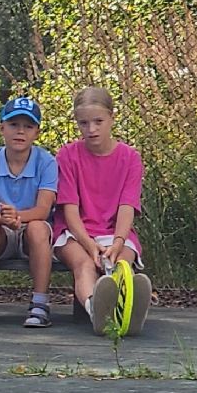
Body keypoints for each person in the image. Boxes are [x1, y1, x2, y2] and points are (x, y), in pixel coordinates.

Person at [53, 85, 153, 334]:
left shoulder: (130, 157)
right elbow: (70, 209)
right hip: (74, 233)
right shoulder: (67, 155)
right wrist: (89, 244)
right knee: (85, 265)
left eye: (98, 121)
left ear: (112, 117)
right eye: (84, 123)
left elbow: (127, 206)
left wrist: (118, 242)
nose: (92, 129)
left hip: (115, 232)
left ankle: (128, 308)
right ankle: (96, 311)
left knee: (121, 264)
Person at [0, 95, 58, 328]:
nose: (20, 132)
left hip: (31, 225)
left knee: (40, 229)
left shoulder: (46, 161)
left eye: (28, 126)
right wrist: (4, 219)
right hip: (1, 226)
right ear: (2, 128)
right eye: (13, 125)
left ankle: (40, 303)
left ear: (37, 132)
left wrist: (18, 217)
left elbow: (43, 208)